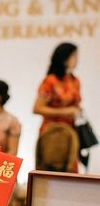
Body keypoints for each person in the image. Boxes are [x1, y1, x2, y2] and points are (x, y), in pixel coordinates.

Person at [33, 43, 81, 172]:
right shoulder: (51, 81)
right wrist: (65, 112)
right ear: (65, 58)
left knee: (70, 171)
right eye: (74, 56)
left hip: (71, 133)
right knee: (51, 171)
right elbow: (37, 108)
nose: (77, 60)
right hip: (52, 133)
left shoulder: (74, 80)